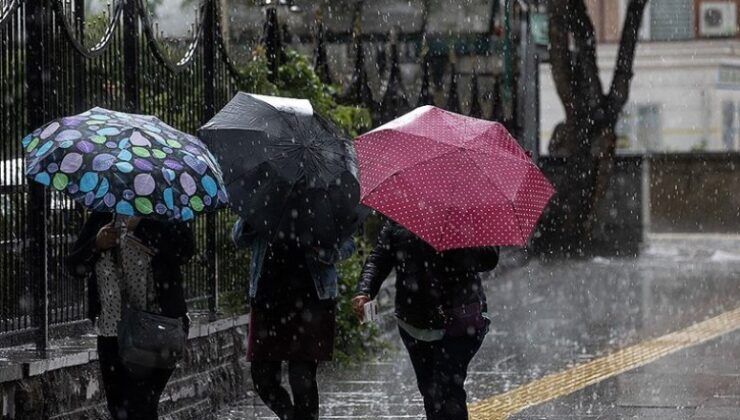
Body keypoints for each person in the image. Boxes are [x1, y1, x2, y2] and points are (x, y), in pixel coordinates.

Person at [353, 220, 499, 420]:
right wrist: (365, 290)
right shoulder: (401, 217)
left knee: (448, 390)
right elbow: (379, 258)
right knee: (430, 393)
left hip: (459, 320)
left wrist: (455, 243)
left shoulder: (467, 215)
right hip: (413, 321)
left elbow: (490, 257)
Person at [66, 212, 194, 420]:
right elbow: (75, 266)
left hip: (156, 329)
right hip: (111, 331)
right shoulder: (103, 215)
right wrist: (96, 244)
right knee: (119, 409)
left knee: (141, 405)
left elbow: (185, 251)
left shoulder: (164, 211)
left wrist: (143, 226)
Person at [232, 217, 355, 420]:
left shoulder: (321, 198)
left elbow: (348, 243)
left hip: (311, 300)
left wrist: (325, 252)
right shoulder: (266, 196)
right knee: (263, 378)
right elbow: (239, 238)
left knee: (302, 378)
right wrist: (251, 218)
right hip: (267, 300)